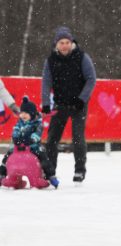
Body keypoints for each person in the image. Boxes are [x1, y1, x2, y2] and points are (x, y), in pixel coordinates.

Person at [42, 26, 96, 184]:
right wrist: (46, 103)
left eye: (67, 42)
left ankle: (80, 170)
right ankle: (50, 171)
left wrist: (82, 99)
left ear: (71, 42)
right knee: (52, 139)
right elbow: (46, 83)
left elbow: (91, 79)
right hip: (60, 104)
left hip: (78, 105)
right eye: (61, 42)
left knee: (78, 138)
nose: (64, 45)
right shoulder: (51, 60)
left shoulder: (81, 57)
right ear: (56, 44)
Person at [0, 97, 58, 188]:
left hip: (33, 146)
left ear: (32, 113)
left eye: (26, 113)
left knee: (43, 157)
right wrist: (15, 138)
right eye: (22, 113)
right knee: (6, 157)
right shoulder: (20, 122)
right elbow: (15, 130)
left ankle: (50, 175)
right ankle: (2, 174)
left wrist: (31, 140)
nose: (23, 115)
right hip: (18, 147)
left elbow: (38, 134)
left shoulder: (37, 123)